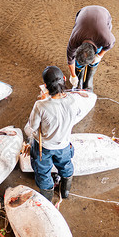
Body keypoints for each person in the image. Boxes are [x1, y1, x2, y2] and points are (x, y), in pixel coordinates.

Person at [24, 66, 83, 201]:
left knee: (43, 173)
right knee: (66, 166)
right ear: (64, 79)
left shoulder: (40, 105)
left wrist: (44, 100)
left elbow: (30, 129)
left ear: (45, 86)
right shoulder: (74, 100)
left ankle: (48, 200)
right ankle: (65, 191)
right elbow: (77, 115)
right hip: (64, 145)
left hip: (44, 148)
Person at [67, 5, 115, 92]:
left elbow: (110, 45)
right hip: (83, 12)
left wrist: (99, 56)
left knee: (95, 60)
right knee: (78, 63)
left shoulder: (105, 38)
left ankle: (89, 80)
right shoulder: (74, 40)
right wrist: (73, 76)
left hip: (103, 14)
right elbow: (70, 60)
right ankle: (79, 79)